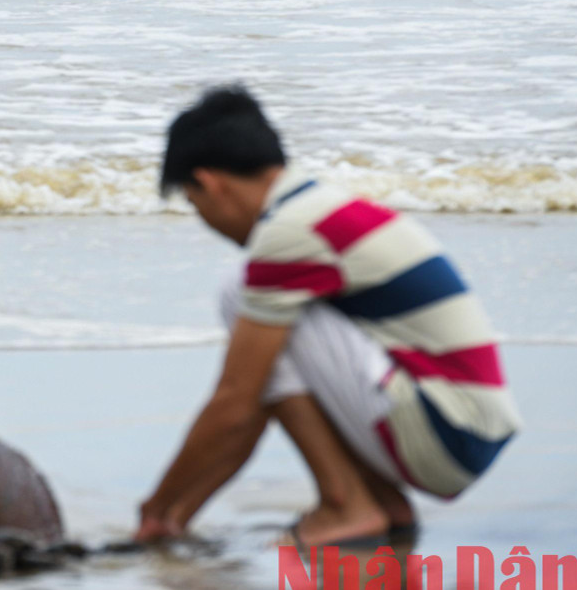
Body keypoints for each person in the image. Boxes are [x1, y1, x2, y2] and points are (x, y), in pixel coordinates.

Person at [136, 86, 521, 547]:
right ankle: (379, 500)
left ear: (211, 183)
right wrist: (176, 511)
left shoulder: (289, 235)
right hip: (465, 426)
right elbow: (249, 410)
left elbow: (239, 403)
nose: (207, 221)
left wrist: (159, 511)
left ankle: (345, 504)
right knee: (260, 302)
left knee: (240, 292)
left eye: (195, 204)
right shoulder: (318, 210)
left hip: (448, 434)